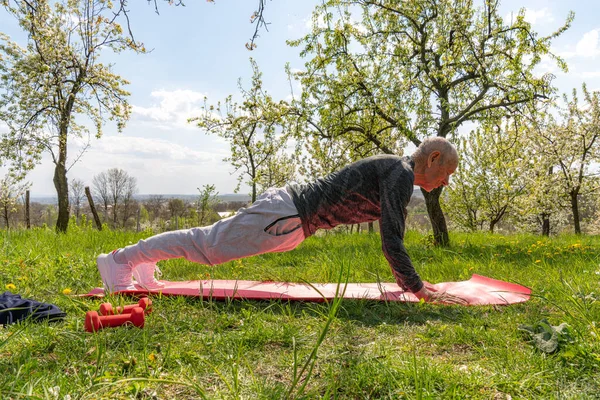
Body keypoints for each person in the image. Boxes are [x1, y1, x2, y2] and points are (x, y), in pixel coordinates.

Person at [97, 137, 465, 304]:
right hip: (286, 215)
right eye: (447, 172)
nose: (446, 182)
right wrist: (419, 290)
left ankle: (144, 262)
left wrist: (410, 282)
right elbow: (392, 240)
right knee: (208, 246)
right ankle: (121, 259)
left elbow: (392, 237)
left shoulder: (398, 173)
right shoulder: (400, 175)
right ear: (433, 158)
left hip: (291, 221)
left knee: (207, 243)